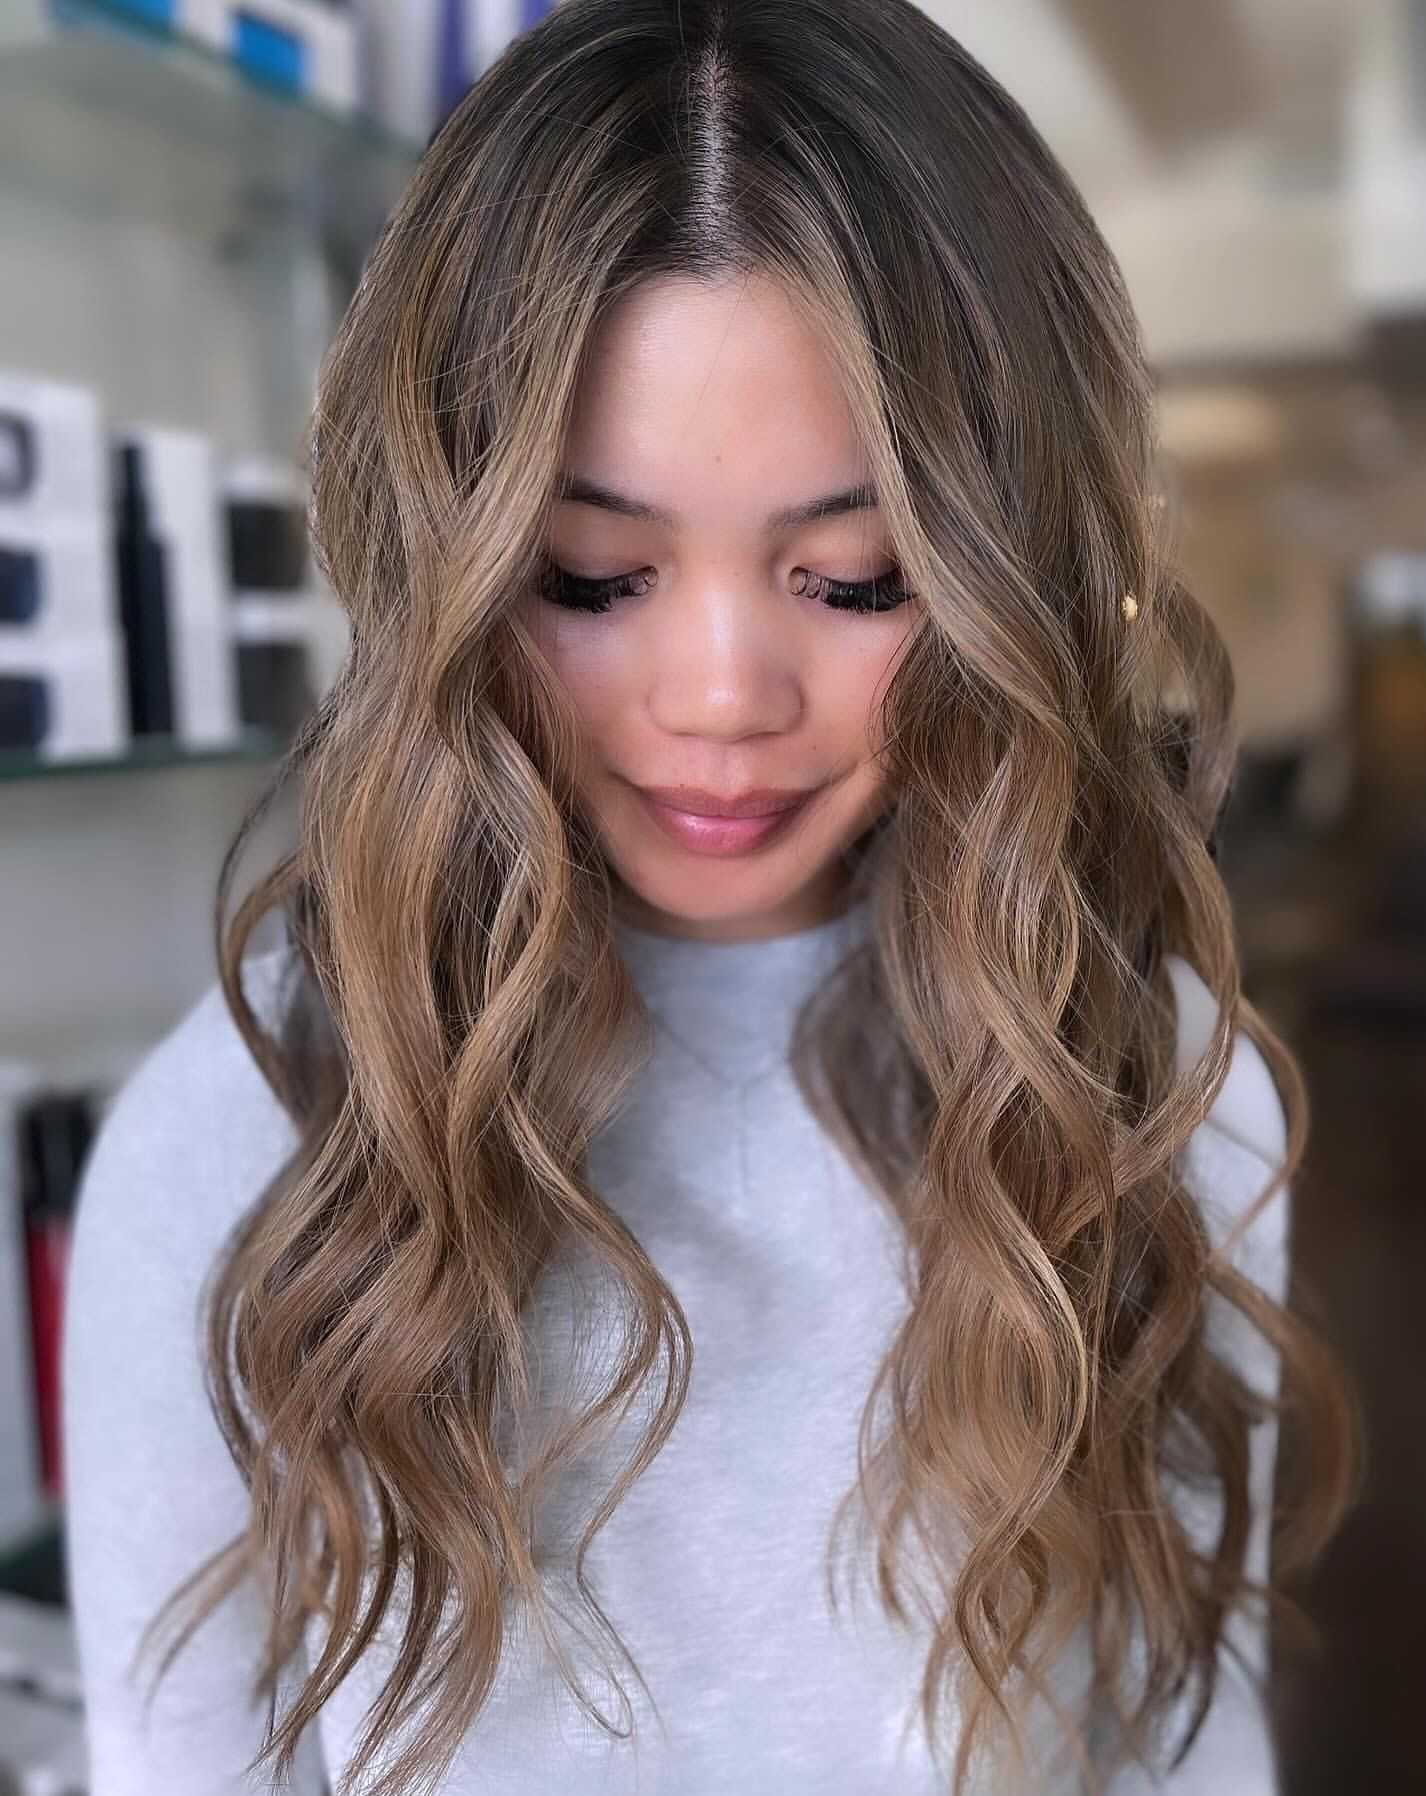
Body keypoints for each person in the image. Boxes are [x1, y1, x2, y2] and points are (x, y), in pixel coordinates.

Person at [60, 2, 1357, 1792]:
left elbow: (1186, 1746)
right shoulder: (248, 1137)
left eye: (856, 578)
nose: (726, 694)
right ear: (444, 562)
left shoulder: (1150, 1098)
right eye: (596, 578)